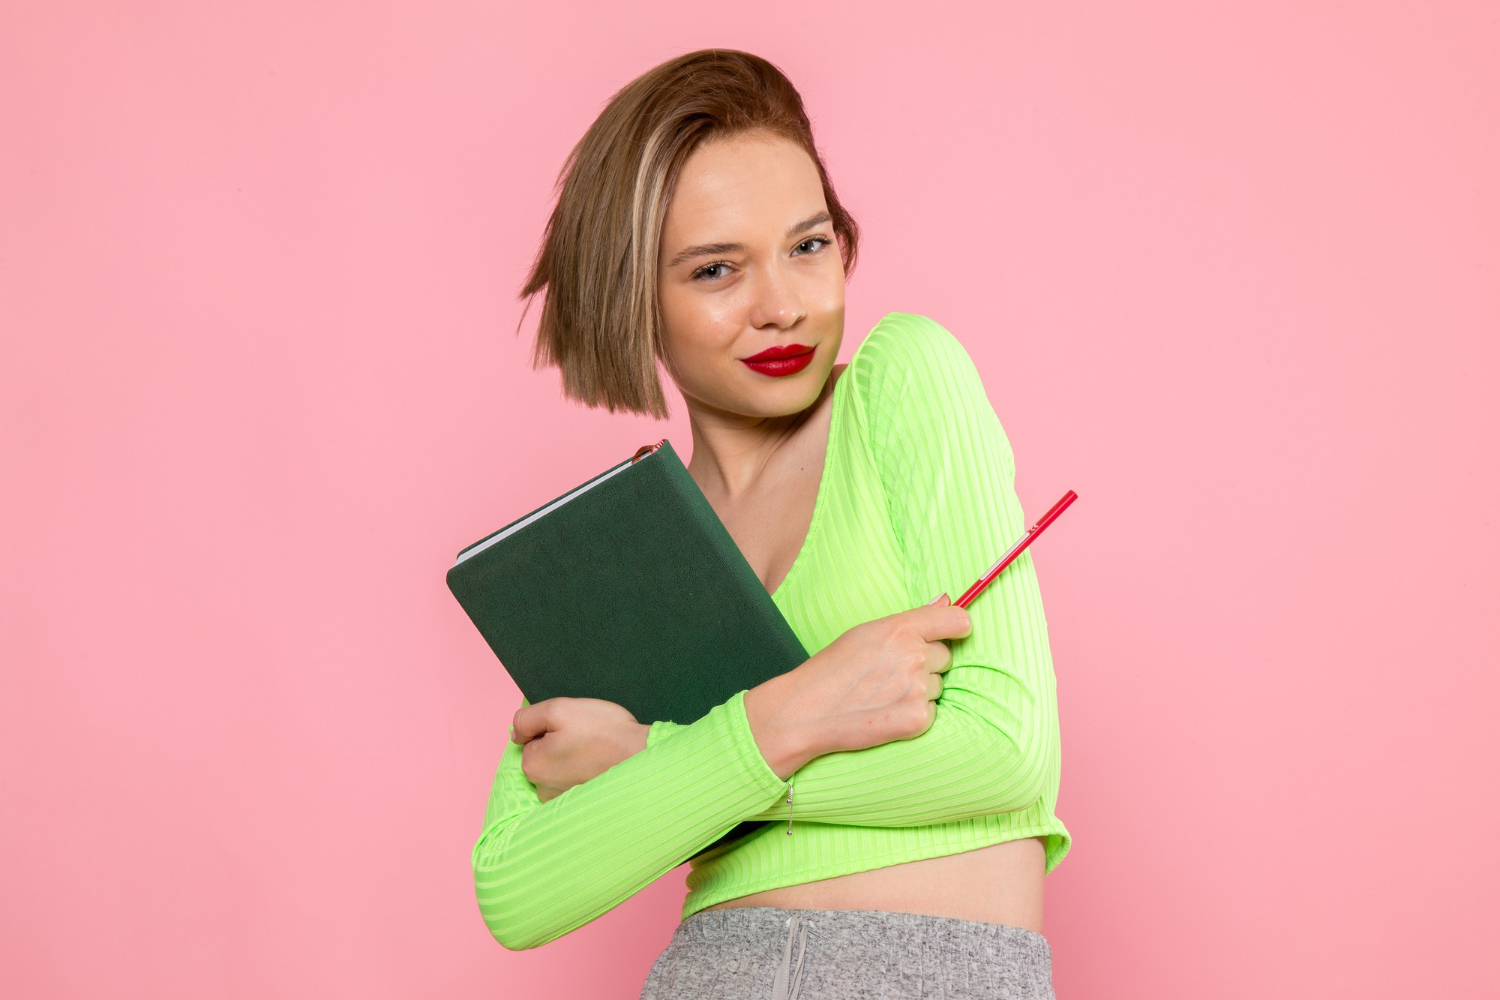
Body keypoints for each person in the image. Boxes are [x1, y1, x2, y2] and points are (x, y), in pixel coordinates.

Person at [472, 48, 1071, 999]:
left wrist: (654, 757)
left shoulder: (900, 383)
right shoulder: (629, 550)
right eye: (716, 269)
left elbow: (1007, 755)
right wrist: (792, 714)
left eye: (808, 245)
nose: (783, 307)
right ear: (634, 300)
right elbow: (516, 888)